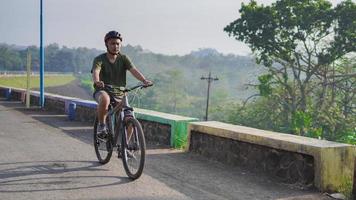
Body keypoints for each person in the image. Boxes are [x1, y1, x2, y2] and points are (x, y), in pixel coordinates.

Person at [91, 30, 152, 136]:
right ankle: (102, 126)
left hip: (120, 93)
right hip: (103, 90)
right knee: (105, 99)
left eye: (118, 44)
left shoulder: (123, 59)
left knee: (130, 119)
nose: (116, 46)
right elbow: (96, 71)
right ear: (107, 44)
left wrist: (144, 80)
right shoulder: (99, 59)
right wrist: (97, 82)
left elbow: (134, 70)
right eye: (112, 43)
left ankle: (125, 149)